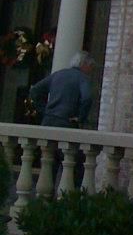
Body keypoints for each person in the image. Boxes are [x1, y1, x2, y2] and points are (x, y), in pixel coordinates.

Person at [28, 50, 94, 187]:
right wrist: (80, 117)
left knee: (48, 164)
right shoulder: (82, 78)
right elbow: (87, 98)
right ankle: (68, 200)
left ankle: (44, 201)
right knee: (75, 165)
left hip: (48, 124)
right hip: (66, 124)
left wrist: (44, 110)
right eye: (90, 67)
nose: (90, 70)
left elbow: (34, 91)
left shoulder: (58, 74)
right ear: (84, 64)